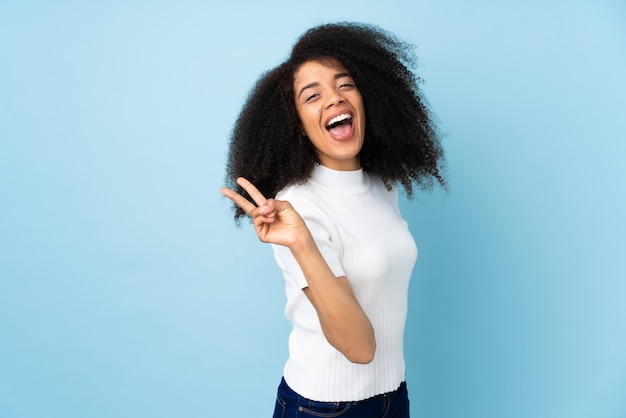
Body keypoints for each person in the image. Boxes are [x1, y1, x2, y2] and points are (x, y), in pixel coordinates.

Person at [221, 22, 445, 418]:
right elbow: (359, 348)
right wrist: (302, 242)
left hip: (394, 396)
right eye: (313, 95)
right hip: (323, 408)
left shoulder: (381, 185)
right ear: (296, 124)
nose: (334, 99)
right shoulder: (297, 207)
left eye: (345, 84)